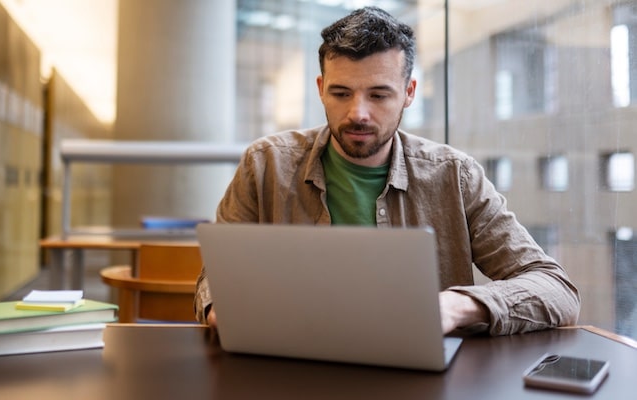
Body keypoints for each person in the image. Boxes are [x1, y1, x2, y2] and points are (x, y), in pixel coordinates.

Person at [194, 6, 580, 336]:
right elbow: (215, 281)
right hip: (288, 365)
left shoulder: (455, 176)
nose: (357, 113)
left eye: (379, 95)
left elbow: (556, 289)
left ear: (409, 92)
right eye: (341, 93)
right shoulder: (264, 165)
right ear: (320, 87)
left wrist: (457, 307)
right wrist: (220, 308)